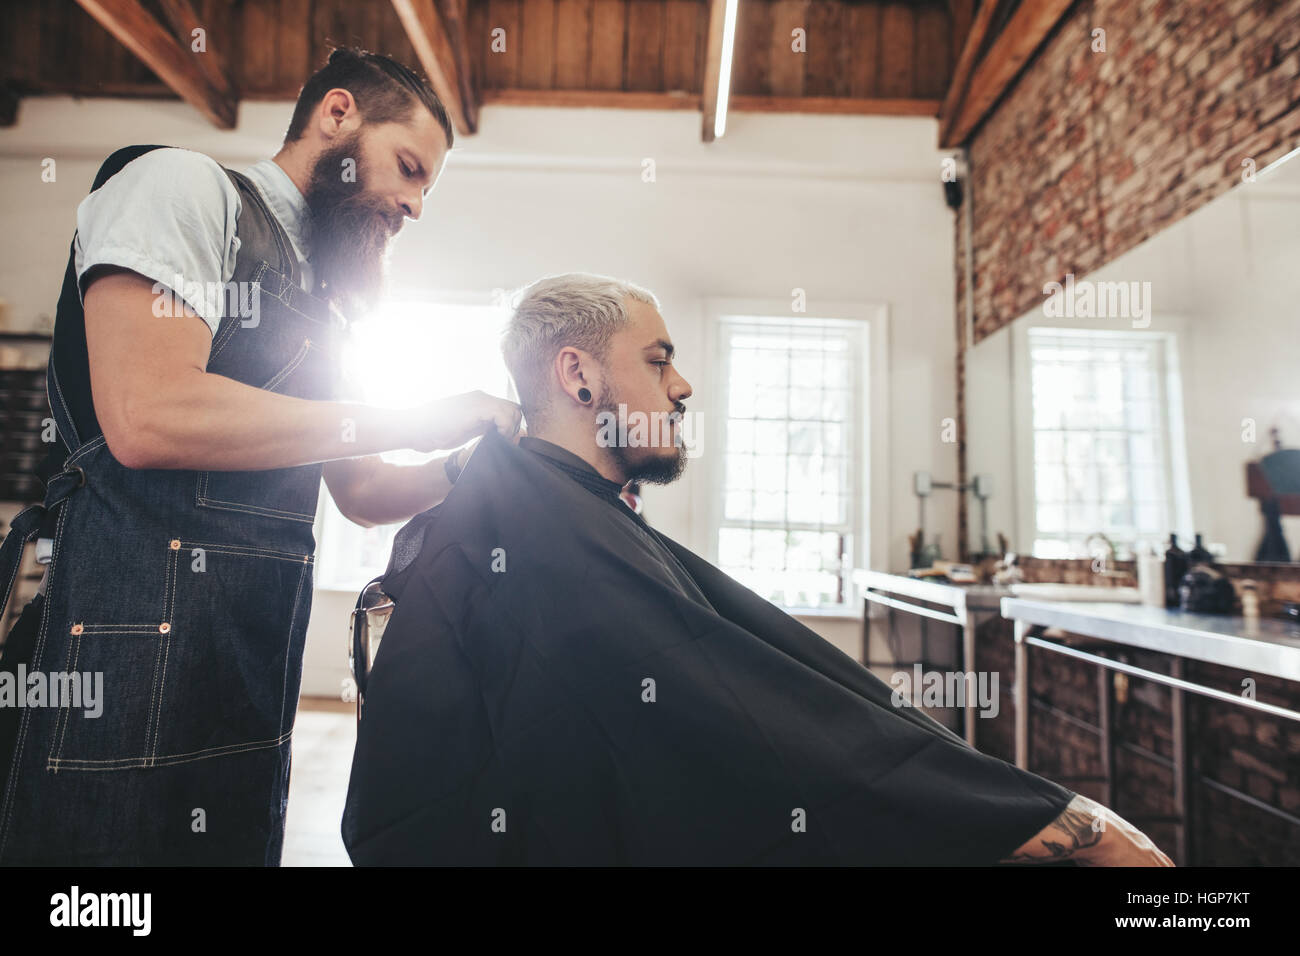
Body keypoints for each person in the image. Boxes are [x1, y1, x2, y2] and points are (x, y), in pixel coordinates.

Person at [341, 273, 1173, 865]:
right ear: (578, 374)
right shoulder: (539, 529)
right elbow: (743, 720)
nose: (684, 386)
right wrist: (1041, 821)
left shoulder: (545, 511)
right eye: (659, 360)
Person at [0, 48, 520, 866]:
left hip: (247, 660)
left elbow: (363, 488)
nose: (415, 205)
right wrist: (412, 416)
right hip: (116, 654)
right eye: (410, 168)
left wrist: (472, 466)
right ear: (338, 114)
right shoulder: (181, 187)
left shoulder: (324, 306)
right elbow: (148, 415)